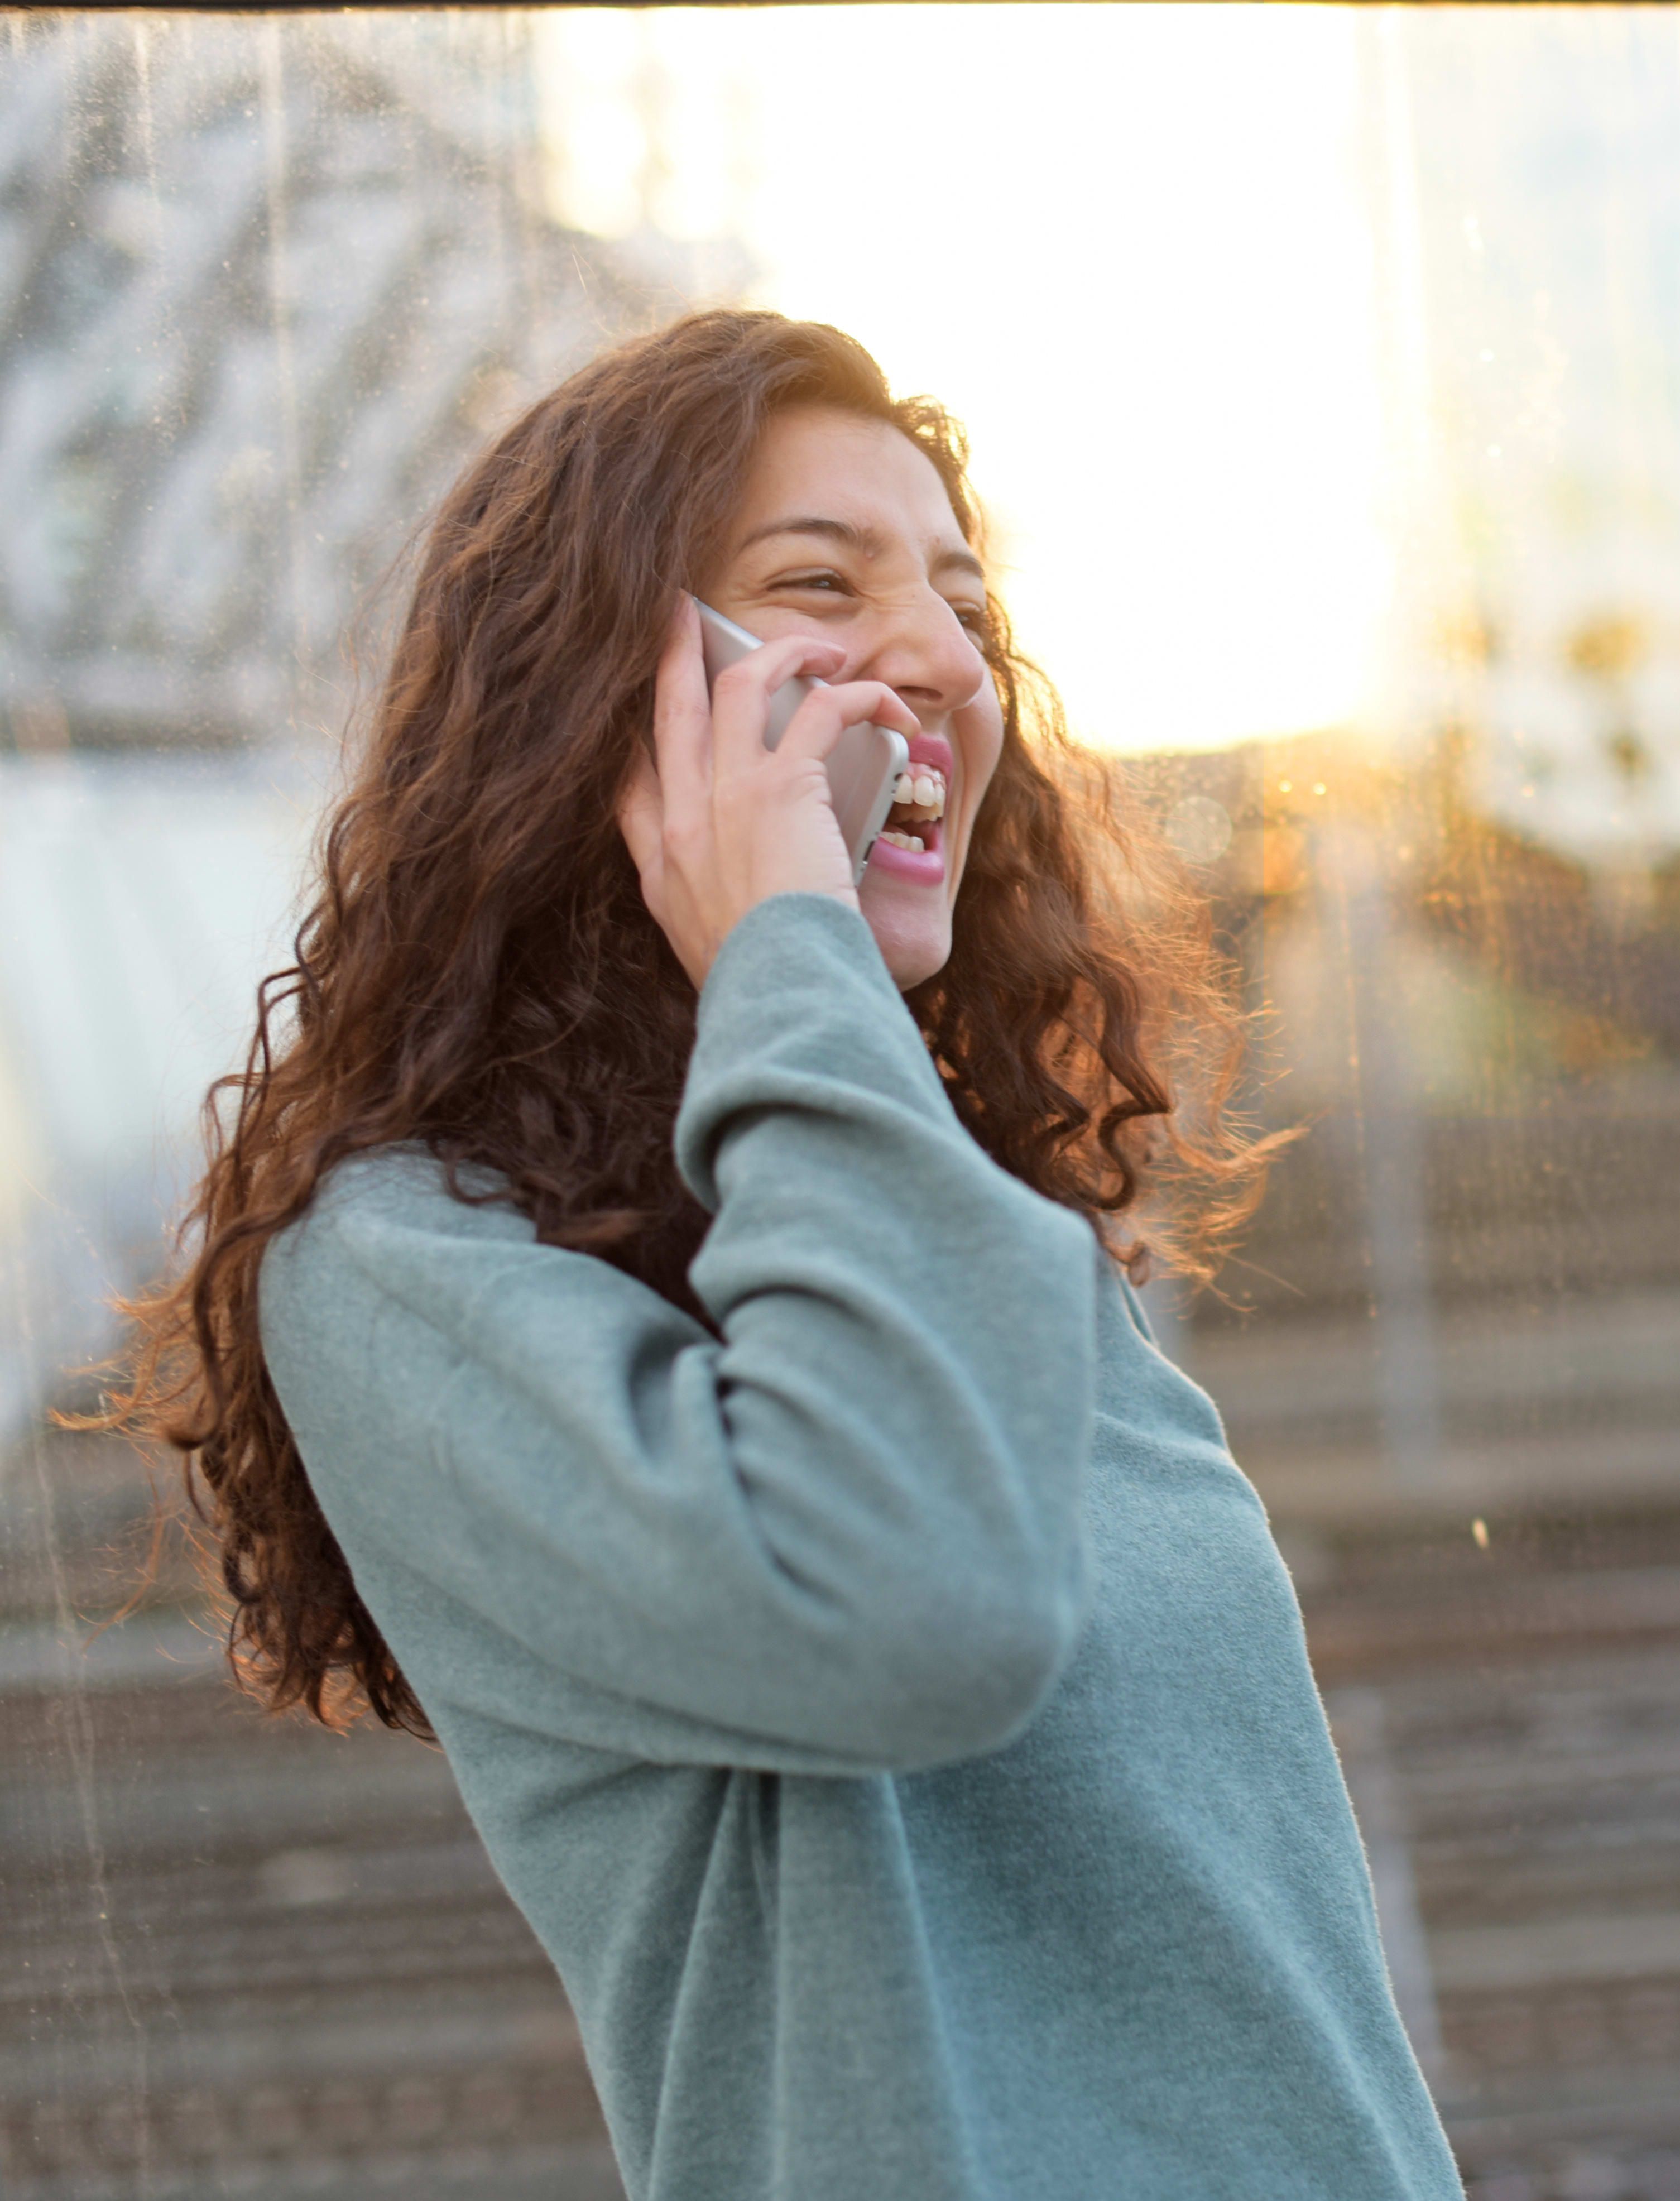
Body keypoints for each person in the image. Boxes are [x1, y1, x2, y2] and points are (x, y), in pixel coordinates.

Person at [92, 311, 1463, 2200]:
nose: (939, 659)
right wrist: (786, 955)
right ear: (597, 699)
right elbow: (914, 1616)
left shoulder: (965, 1205)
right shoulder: (393, 1263)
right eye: (820, 584)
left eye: (965, 608)